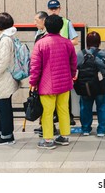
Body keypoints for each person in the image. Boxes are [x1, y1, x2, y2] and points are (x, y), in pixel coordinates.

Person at [29, 14, 77, 149]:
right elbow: (73, 63)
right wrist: (72, 75)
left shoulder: (41, 43)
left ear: (46, 26)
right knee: (63, 110)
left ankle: (48, 140)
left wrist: (33, 82)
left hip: (46, 84)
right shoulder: (67, 43)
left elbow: (35, 66)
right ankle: (64, 136)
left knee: (47, 112)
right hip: (65, 83)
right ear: (61, 27)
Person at [47, 0, 78, 125]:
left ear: (60, 9)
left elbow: (75, 40)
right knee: (50, 90)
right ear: (48, 10)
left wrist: (62, 45)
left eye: (56, 9)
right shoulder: (46, 22)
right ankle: (55, 115)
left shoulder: (66, 23)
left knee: (65, 89)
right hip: (49, 60)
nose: (54, 11)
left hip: (63, 59)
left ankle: (67, 115)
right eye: (51, 9)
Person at [0, 12, 20, 145]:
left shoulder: (5, 40)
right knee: (2, 105)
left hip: (4, 77)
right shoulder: (7, 37)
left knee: (4, 106)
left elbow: (3, 60)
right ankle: (2, 130)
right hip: (5, 77)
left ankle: (7, 135)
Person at [77, 31, 105, 137]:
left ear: (87, 42)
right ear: (99, 42)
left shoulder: (81, 53)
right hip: (101, 85)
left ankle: (85, 129)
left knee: (85, 106)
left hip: (86, 86)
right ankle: (101, 130)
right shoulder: (104, 53)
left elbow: (75, 67)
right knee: (102, 106)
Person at [32, 11, 59, 137]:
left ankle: (48, 133)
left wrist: (34, 80)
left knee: (47, 108)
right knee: (50, 108)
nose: (35, 23)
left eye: (37, 21)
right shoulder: (40, 35)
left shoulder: (44, 39)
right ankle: (47, 128)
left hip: (46, 79)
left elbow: (37, 63)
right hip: (52, 77)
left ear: (44, 21)